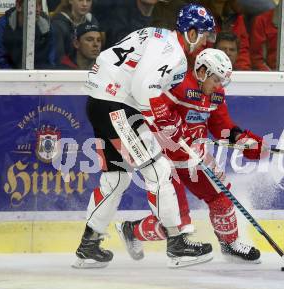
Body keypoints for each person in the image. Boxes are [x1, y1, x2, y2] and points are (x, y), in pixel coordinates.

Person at [73, 3, 217, 269]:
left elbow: (129, 73)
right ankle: (177, 243)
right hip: (118, 107)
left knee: (116, 178)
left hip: (100, 102)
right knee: (159, 170)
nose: (206, 41)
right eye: (205, 34)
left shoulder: (155, 33)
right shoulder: (174, 53)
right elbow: (143, 88)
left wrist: (162, 119)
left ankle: (88, 245)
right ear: (192, 32)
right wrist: (163, 119)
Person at [116, 48, 264, 264]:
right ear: (202, 71)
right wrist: (169, 125)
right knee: (176, 221)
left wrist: (243, 140)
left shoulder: (215, 94)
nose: (219, 86)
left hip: (195, 156)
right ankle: (131, 231)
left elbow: (221, 125)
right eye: (216, 79)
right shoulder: (177, 84)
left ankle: (229, 244)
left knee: (222, 198)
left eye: (222, 81)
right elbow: (154, 109)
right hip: (165, 159)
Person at [0, 0, 56, 69]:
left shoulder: (46, 27)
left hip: (38, 76)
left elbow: (51, 60)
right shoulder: (3, 25)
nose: (37, 9)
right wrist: (16, 77)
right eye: (33, 5)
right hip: (9, 76)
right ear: (18, 5)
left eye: (39, 5)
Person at [200, 0, 251, 70]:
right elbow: (197, 49)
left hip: (234, 72)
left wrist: (242, 72)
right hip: (208, 71)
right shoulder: (200, 16)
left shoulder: (237, 16)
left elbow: (242, 50)